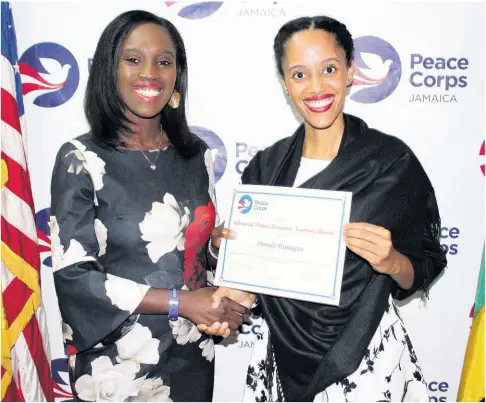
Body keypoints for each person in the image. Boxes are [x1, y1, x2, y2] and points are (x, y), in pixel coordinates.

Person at [203, 16, 447, 402]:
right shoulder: (265, 167)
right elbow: (254, 276)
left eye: (329, 69)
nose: (316, 87)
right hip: (278, 354)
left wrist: (391, 261)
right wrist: (225, 256)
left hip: (364, 355)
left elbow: (427, 262)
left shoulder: (390, 162)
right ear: (285, 83)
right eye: (299, 74)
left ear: (351, 72)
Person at [50, 10, 250, 402]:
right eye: (133, 59)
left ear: (178, 75)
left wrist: (218, 251)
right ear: (110, 69)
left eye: (164, 61)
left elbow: (195, 258)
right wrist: (180, 302)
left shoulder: (196, 157)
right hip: (120, 366)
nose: (150, 73)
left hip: (192, 356)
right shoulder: (80, 158)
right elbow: (74, 276)